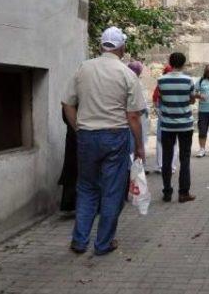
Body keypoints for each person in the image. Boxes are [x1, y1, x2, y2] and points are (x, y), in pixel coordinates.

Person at [62, 26, 146, 255]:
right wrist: (139, 146)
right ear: (122, 47)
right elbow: (133, 116)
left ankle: (79, 241)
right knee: (111, 191)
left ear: (101, 46)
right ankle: (103, 243)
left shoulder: (84, 68)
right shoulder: (127, 74)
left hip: (87, 136)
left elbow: (68, 103)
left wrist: (78, 127)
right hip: (115, 136)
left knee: (87, 188)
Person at [156, 52, 196, 203]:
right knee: (184, 159)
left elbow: (162, 99)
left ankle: (167, 192)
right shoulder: (188, 80)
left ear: (170, 63)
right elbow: (191, 100)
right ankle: (183, 193)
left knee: (167, 158)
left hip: (167, 125)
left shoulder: (161, 80)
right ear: (183, 63)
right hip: (185, 124)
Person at [152, 64, 178, 174]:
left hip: (163, 117)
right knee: (174, 142)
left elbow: (155, 100)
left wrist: (159, 112)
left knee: (160, 142)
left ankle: (160, 166)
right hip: (175, 117)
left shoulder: (160, 84)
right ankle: (171, 166)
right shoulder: (177, 84)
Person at [128, 61, 150, 173]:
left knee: (137, 141)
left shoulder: (132, 81)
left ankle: (139, 166)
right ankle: (138, 166)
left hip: (137, 115)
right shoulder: (134, 82)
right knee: (138, 141)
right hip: (136, 116)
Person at [58, 107, 78, 216]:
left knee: (72, 171)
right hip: (80, 137)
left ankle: (70, 204)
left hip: (73, 136)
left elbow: (65, 117)